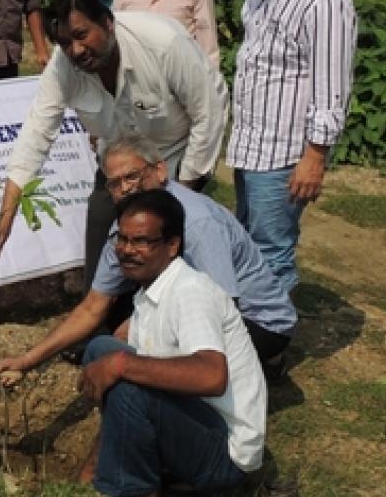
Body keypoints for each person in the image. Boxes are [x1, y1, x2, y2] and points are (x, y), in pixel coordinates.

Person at [0, 0, 228, 293]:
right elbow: (35, 135)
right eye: (65, 43)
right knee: (102, 231)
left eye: (82, 35)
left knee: (170, 245)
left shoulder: (163, 43)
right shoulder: (63, 67)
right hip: (118, 161)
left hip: (174, 154)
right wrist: (5, 217)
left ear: (108, 22)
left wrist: (182, 191)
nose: (77, 50)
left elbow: (209, 113)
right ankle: (101, 325)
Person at [0, 135, 297, 382]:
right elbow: (92, 306)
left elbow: (223, 307)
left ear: (160, 170)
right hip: (197, 307)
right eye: (114, 183)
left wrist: (142, 327)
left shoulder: (198, 223)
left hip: (257, 321)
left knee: (148, 352)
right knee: (118, 323)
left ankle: (259, 366)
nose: (125, 188)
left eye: (133, 175)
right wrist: (28, 359)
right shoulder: (127, 224)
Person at [79, 189, 267, 495]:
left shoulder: (190, 292)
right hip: (193, 424)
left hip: (224, 454)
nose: (127, 250)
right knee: (102, 349)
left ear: (172, 245)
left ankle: (127, 489)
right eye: (122, 239)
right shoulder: (149, 293)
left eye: (141, 241)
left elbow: (212, 376)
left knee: (127, 380)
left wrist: (121, 365)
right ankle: (134, 470)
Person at [228, 0, 357, 295]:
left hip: (283, 155)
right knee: (248, 244)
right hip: (251, 145)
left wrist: (315, 156)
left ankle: (271, 346)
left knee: (271, 254)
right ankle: (250, 335)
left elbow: (332, 87)